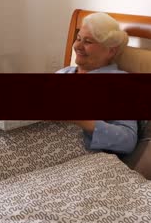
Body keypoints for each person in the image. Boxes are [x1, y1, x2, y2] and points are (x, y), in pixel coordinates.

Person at [56, 12, 138, 154]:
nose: (78, 46)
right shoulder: (64, 73)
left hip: (73, 155)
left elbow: (128, 141)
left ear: (111, 51)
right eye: (78, 39)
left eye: (88, 42)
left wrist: (82, 120)